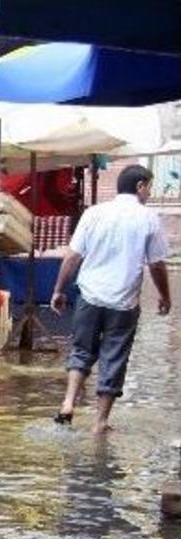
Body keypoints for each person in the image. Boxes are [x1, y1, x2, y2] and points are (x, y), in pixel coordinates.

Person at [51, 163, 171, 434]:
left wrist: (59, 289)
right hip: (124, 302)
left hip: (90, 296)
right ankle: (100, 422)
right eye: (149, 187)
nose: (149, 193)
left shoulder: (94, 213)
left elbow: (72, 256)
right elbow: (157, 265)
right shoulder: (148, 218)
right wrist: (165, 296)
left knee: (81, 350)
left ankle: (68, 403)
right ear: (140, 186)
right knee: (114, 357)